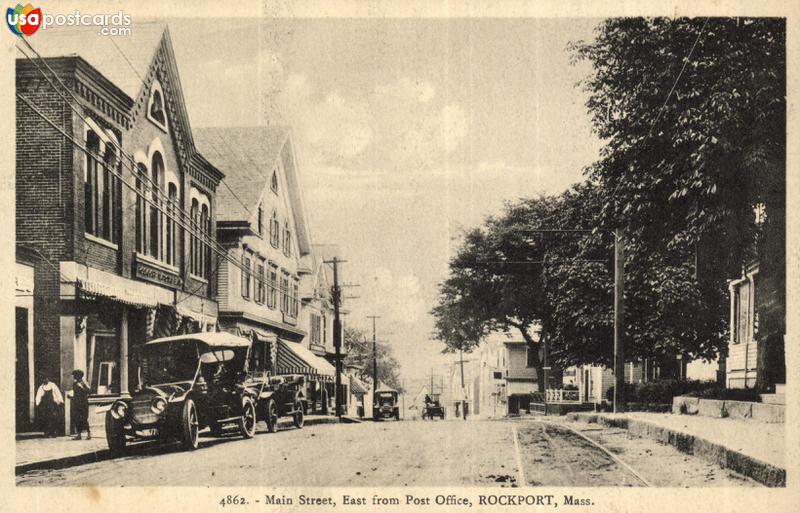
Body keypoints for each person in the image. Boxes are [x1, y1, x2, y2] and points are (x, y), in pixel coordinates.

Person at [70, 370, 91, 440]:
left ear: (79, 376)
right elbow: (75, 393)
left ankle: (89, 434)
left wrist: (82, 387)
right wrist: (71, 397)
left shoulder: (84, 383)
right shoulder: (74, 383)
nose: (74, 377)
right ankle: (79, 435)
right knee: (77, 419)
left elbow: (89, 391)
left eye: (75, 375)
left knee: (84, 418)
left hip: (83, 403)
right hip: (76, 403)